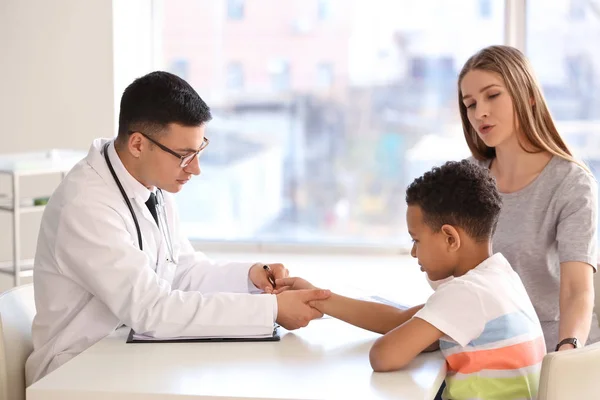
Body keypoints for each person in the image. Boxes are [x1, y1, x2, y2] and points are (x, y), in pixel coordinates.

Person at [25, 71, 331, 385]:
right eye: (185, 156)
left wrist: (250, 276)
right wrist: (271, 310)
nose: (195, 169)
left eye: (199, 152)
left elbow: (180, 272)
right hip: (73, 374)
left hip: (127, 356)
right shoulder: (85, 204)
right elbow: (152, 309)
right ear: (138, 144)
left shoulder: (152, 183)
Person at [277, 160, 546, 400]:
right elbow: (398, 320)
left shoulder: (466, 293)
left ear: (450, 238)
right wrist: (318, 298)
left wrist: (413, 337)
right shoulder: (499, 277)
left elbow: (383, 356)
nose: (414, 251)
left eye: (416, 239)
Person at [458, 45, 599, 352]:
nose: (480, 112)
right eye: (470, 104)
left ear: (528, 96)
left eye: (492, 95)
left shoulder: (571, 183)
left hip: (548, 351)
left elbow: (577, 290)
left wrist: (567, 352)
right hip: (479, 348)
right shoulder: (467, 177)